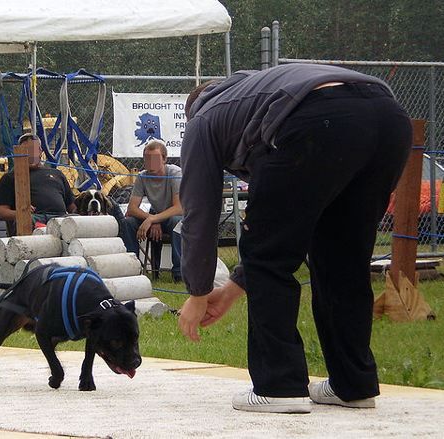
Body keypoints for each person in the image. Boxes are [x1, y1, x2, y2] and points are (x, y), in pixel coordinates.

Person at [177, 63, 411, 413]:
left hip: (320, 119)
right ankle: (353, 384)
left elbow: (199, 212)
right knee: (342, 259)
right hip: (389, 119)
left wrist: (197, 292)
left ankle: (280, 386)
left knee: (269, 257)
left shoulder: (203, 119)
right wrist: (234, 287)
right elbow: (282, 226)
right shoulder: (258, 97)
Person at [120, 140, 183, 281]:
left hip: (175, 217)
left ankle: (179, 273)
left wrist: (152, 219)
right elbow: (132, 208)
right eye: (147, 159)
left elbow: (179, 208)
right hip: (156, 215)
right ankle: (132, 269)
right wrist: (152, 220)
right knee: (128, 222)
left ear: (165, 159)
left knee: (176, 222)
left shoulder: (175, 173)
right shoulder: (142, 176)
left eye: (154, 159)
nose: (150, 163)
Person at [0, 133, 76, 232]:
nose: (30, 154)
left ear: (40, 152)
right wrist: (21, 213)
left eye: (33, 150)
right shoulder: (10, 177)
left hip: (61, 218)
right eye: (26, 151)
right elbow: (2, 212)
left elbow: (72, 207)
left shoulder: (57, 174)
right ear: (19, 153)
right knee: (28, 221)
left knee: (79, 220)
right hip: (34, 218)